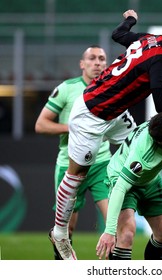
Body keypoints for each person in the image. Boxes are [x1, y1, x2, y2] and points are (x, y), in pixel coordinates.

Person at [49, 9, 162, 260]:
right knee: (77, 174)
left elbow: (119, 34)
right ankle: (60, 233)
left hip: (115, 112)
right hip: (91, 115)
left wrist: (130, 20)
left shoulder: (155, 39)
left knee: (143, 148)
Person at [96, 89, 162, 260]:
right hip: (122, 177)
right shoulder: (142, 158)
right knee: (126, 234)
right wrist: (109, 232)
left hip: (149, 180)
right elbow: (120, 188)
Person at [35, 45, 111, 259]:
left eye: (102, 59)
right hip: (71, 165)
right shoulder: (67, 89)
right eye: (92, 58)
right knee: (66, 231)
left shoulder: (111, 89)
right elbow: (41, 125)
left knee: (118, 225)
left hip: (102, 163)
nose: (97, 62)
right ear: (82, 64)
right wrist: (73, 127)